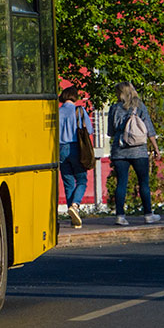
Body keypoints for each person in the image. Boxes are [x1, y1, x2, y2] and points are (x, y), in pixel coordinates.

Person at [108, 81, 160, 225]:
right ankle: (148, 214)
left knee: (121, 183)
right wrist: (155, 147)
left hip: (119, 151)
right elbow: (149, 129)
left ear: (120, 93)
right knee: (143, 183)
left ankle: (120, 216)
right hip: (139, 151)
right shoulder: (140, 107)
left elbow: (110, 132)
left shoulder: (114, 108)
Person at [57, 87, 91, 228]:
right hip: (76, 148)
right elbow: (89, 130)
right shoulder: (79, 111)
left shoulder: (56, 113)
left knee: (68, 183)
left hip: (60, 149)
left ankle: (74, 218)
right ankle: (75, 205)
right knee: (82, 180)